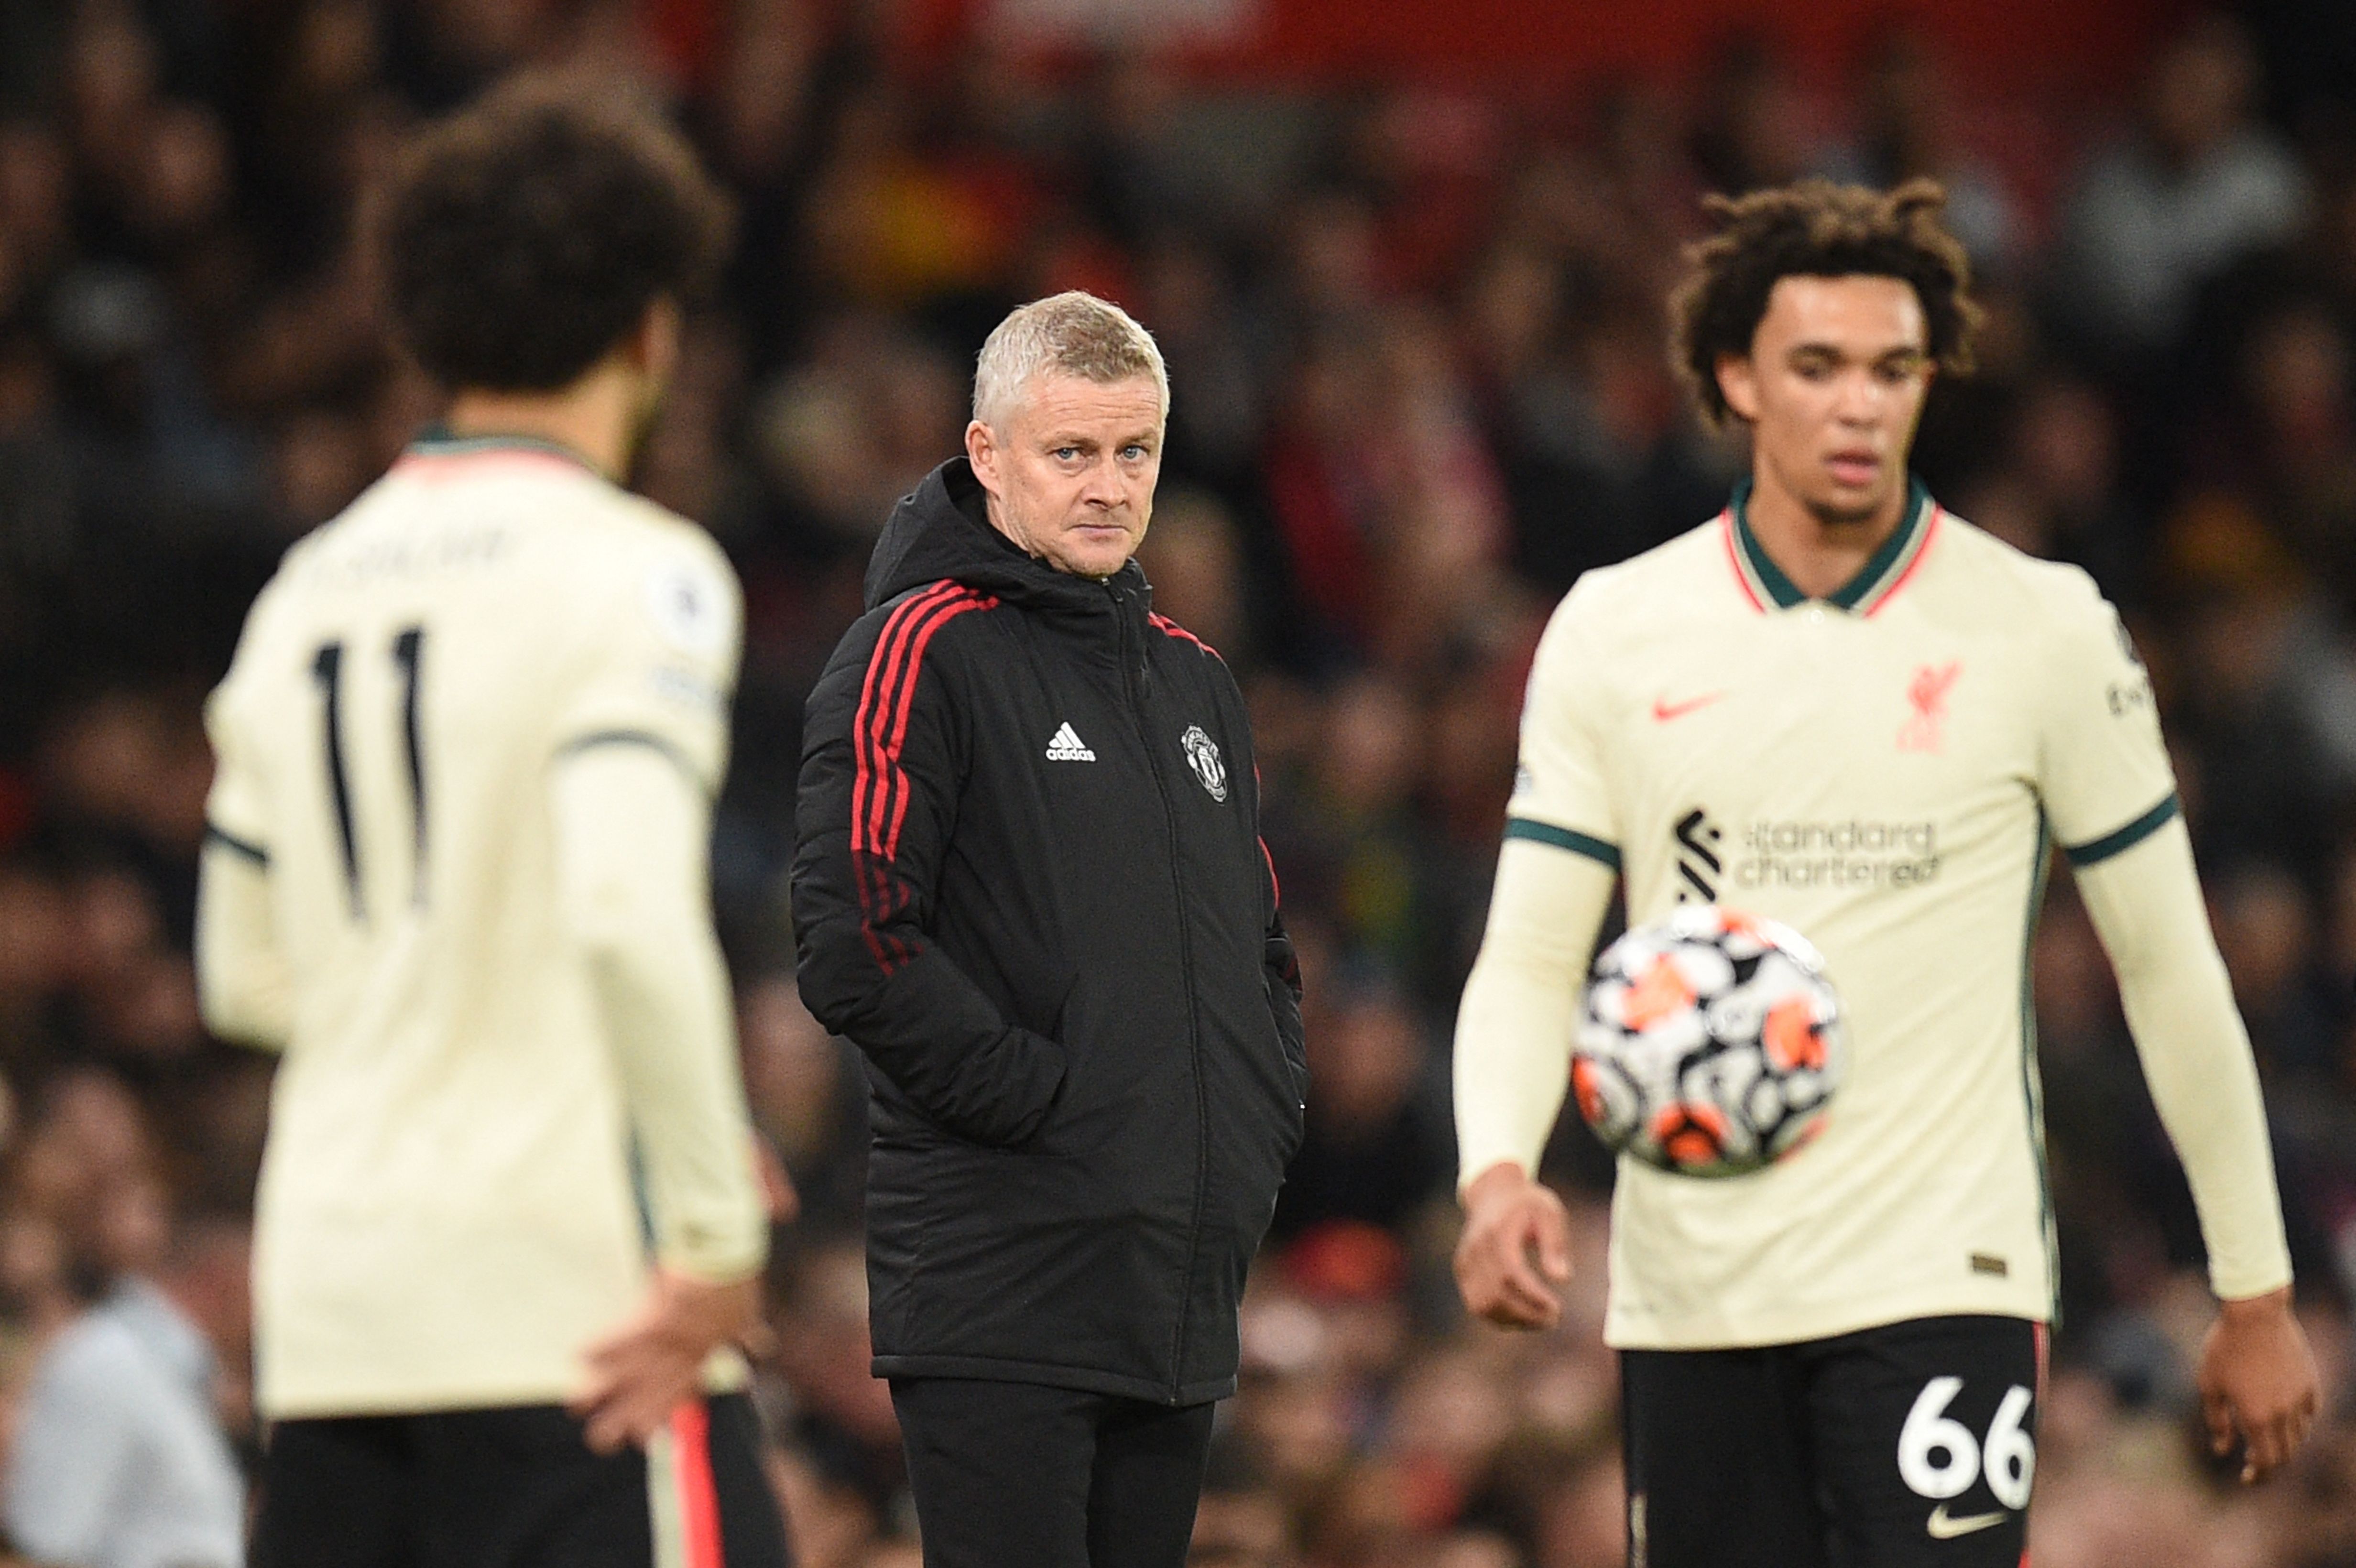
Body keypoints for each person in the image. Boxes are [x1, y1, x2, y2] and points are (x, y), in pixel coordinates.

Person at [1450, 179, 2320, 1567]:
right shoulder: (1618, 631)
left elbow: (2168, 966)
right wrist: (1495, 1173)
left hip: (1945, 1275)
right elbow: (1534, 954)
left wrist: (2256, 1288)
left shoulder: (2043, 626)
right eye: (1818, 367)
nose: (1860, 404)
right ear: (1736, 377)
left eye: (1892, 369)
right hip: (1695, 1293)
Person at [194, 77, 788, 1568]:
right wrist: (714, 1232)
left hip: (334, 1324)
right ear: (652, 329)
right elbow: (622, 910)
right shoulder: (636, 571)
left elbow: (243, 978)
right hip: (581, 1325)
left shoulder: (303, 593)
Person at [790, 291, 1307, 1568]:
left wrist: (1247, 1121)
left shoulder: (1193, 678)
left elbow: (1262, 947)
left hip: (1174, 1279)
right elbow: (853, 935)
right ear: (987, 456)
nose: (1108, 485)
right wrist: (1046, 1105)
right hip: (1002, 1277)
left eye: (1135, 453)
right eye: (1070, 452)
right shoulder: (915, 647)